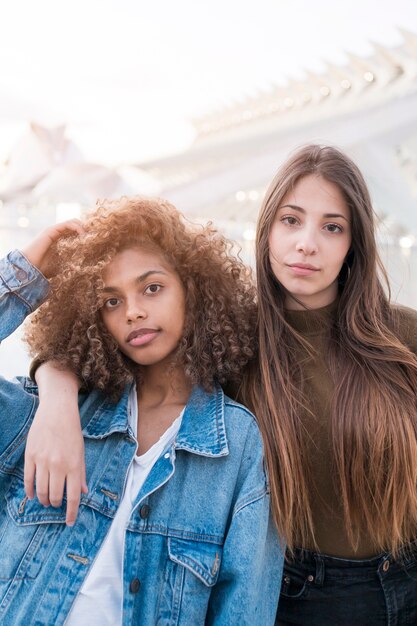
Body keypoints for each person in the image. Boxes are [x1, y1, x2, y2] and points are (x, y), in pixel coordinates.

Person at [0, 197, 283, 626]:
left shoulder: (237, 445)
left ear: (195, 289)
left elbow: (244, 608)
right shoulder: (45, 414)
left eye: (152, 287)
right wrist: (25, 275)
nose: (132, 311)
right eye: (112, 300)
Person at [248, 144, 417, 624]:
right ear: (266, 231)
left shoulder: (402, 336)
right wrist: (52, 385)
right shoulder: (233, 343)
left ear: (352, 246)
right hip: (306, 597)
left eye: (332, 227)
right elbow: (122, 353)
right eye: (291, 220)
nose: (307, 243)